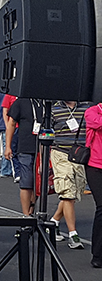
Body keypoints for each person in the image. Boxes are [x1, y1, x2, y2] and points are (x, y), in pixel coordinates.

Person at [49, 100, 89, 249]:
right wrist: (43, 158)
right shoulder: (54, 110)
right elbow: (45, 134)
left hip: (79, 154)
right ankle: (73, 234)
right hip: (60, 152)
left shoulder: (86, 107)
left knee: (74, 193)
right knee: (67, 193)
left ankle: (54, 221)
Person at [5, 98, 42, 215]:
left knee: (39, 182)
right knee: (26, 182)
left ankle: (31, 208)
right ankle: (26, 215)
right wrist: (8, 146)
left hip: (43, 148)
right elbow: (11, 123)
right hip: (25, 147)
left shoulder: (45, 102)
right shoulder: (21, 102)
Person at [83, 103, 102, 267]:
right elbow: (98, 123)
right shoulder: (92, 111)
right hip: (95, 167)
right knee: (101, 206)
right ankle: (97, 255)